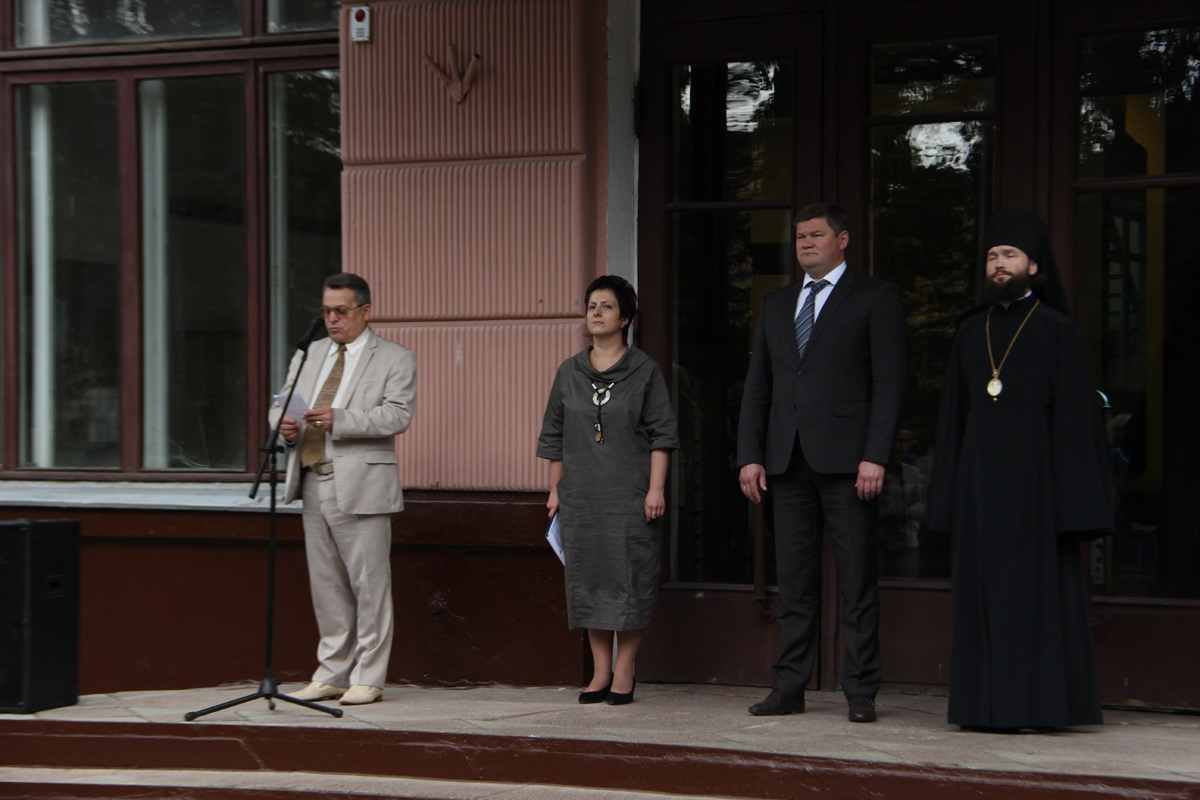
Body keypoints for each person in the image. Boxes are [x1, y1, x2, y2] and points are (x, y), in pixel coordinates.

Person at [927, 208, 1114, 732]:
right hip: (979, 489)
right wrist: (949, 495)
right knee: (981, 595)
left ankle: (1037, 707)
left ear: (1033, 265)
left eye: (1009, 255)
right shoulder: (971, 332)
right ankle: (981, 707)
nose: (998, 264)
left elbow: (1076, 423)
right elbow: (953, 419)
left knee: (1033, 598)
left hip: (1037, 489)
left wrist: (1073, 502)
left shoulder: (1057, 329)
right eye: (992, 256)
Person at [737, 203, 908, 723]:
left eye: (816, 235)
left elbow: (889, 384)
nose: (806, 243)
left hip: (850, 464)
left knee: (856, 580)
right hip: (786, 463)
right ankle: (789, 686)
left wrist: (875, 455)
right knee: (794, 582)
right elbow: (759, 385)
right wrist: (750, 456)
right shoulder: (777, 303)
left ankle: (860, 689)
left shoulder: (875, 297)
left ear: (843, 239)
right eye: (799, 237)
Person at [271, 273, 417, 706]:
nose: (332, 319)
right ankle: (332, 673)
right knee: (327, 585)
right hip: (312, 477)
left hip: (362, 482)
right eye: (326, 311)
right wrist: (284, 426)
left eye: (341, 311)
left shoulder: (394, 357)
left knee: (370, 584)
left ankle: (369, 676)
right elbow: (283, 401)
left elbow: (398, 415)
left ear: (365, 311)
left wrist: (342, 419)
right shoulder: (311, 352)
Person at [537, 275, 679, 706]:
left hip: (630, 495)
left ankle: (625, 669)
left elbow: (662, 435)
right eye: (591, 306)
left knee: (629, 579)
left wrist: (656, 489)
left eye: (607, 306)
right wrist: (555, 491)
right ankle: (600, 671)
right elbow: (554, 437)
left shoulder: (645, 370)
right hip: (581, 496)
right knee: (591, 579)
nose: (596, 313)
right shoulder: (569, 371)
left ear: (625, 318)